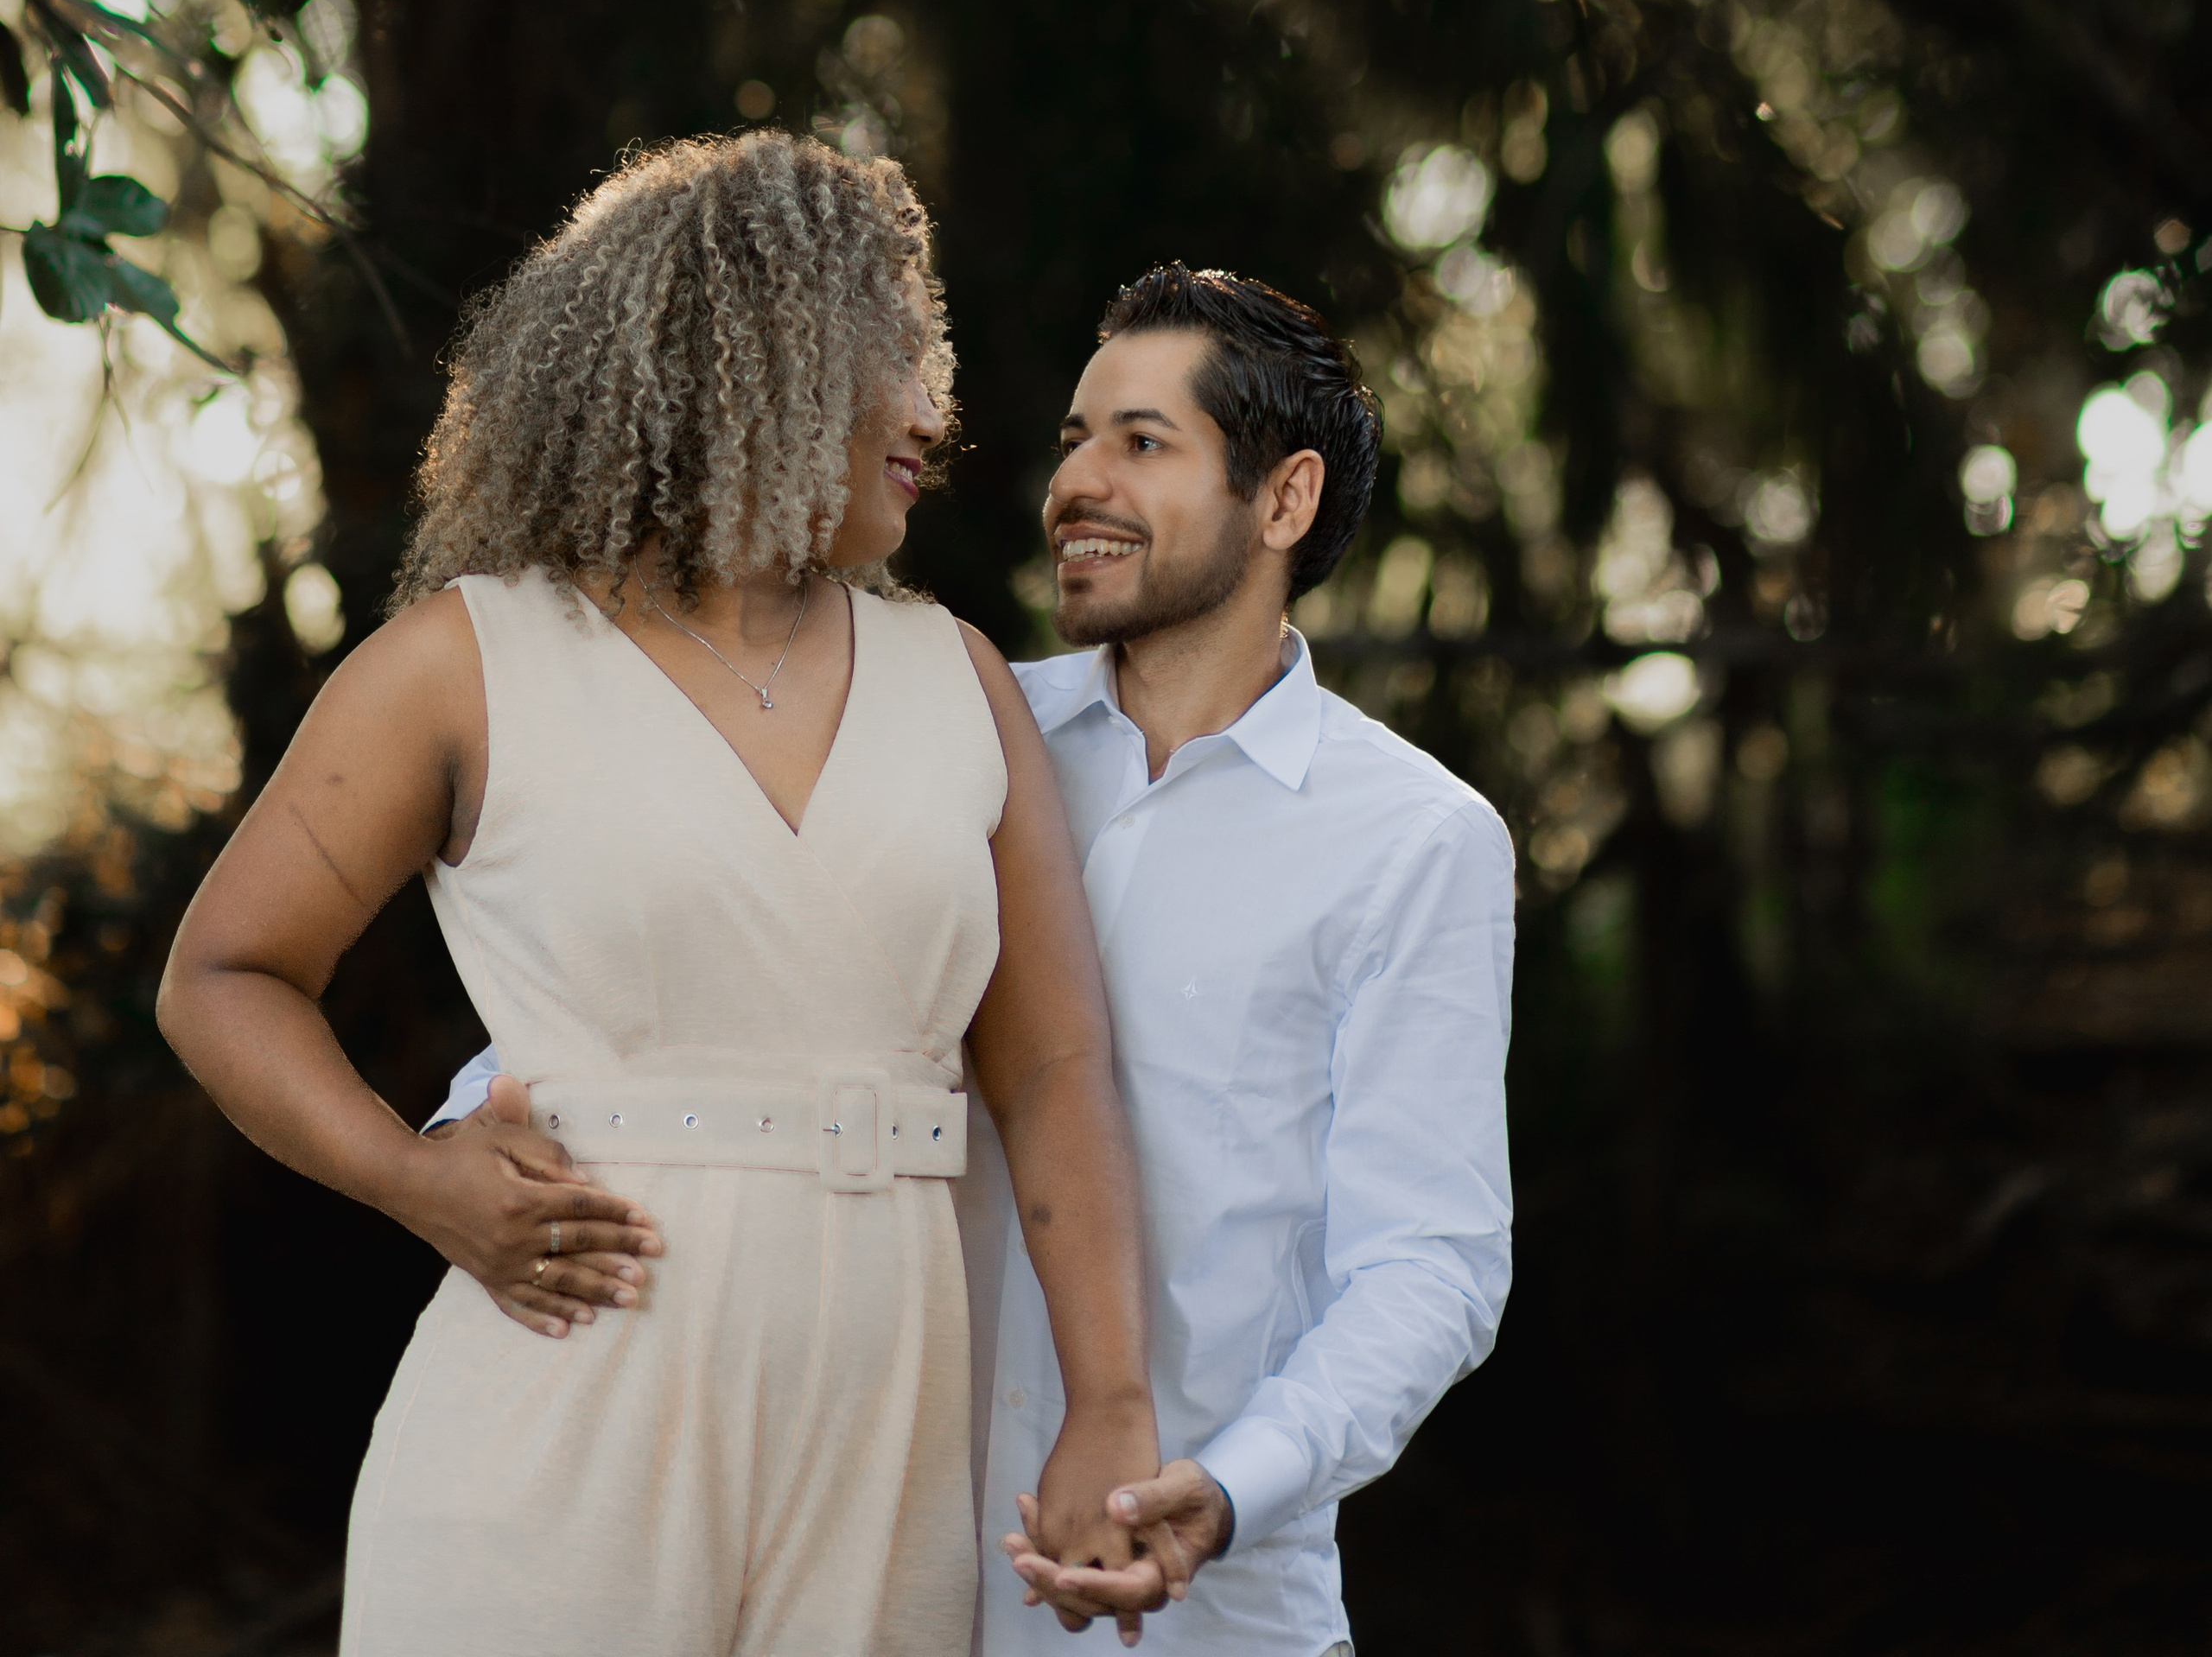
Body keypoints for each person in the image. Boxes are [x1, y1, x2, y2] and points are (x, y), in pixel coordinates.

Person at [157, 133, 1160, 1657]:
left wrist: (1110, 1400)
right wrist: (412, 1175)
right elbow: (222, 976)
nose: (936, 413)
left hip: (884, 1435)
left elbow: (1056, 1066)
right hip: (569, 1394)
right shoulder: (464, 661)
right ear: (764, 359)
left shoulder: (954, 676)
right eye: (899, 355)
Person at [434, 260, 1515, 1654]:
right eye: (1075, 440)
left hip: (1203, 1612)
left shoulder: (1417, 841)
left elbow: (1429, 1265)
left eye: (1143, 442)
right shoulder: (935, 727)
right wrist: (473, 1124)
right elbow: (702, 977)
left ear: (1285, 502)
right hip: (870, 1569)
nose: (1077, 484)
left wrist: (1237, 1487)